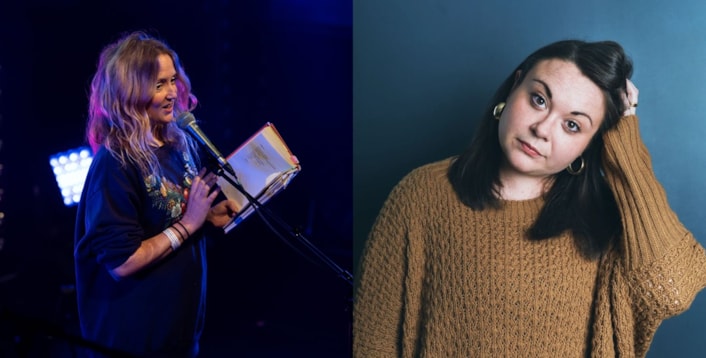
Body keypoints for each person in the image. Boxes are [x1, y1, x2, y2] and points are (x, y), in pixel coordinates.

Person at [353, 40, 706, 357]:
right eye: (539, 100)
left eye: (573, 125)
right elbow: (373, 340)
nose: (542, 128)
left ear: (592, 142)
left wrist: (625, 144)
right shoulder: (421, 195)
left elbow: (673, 290)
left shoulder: (606, 223)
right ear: (514, 87)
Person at [74, 30, 239, 358]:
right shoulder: (116, 161)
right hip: (132, 339)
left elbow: (169, 213)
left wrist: (206, 216)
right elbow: (121, 261)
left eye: (173, 80)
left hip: (178, 334)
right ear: (131, 92)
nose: (171, 93)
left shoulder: (179, 142)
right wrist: (189, 224)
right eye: (158, 84)